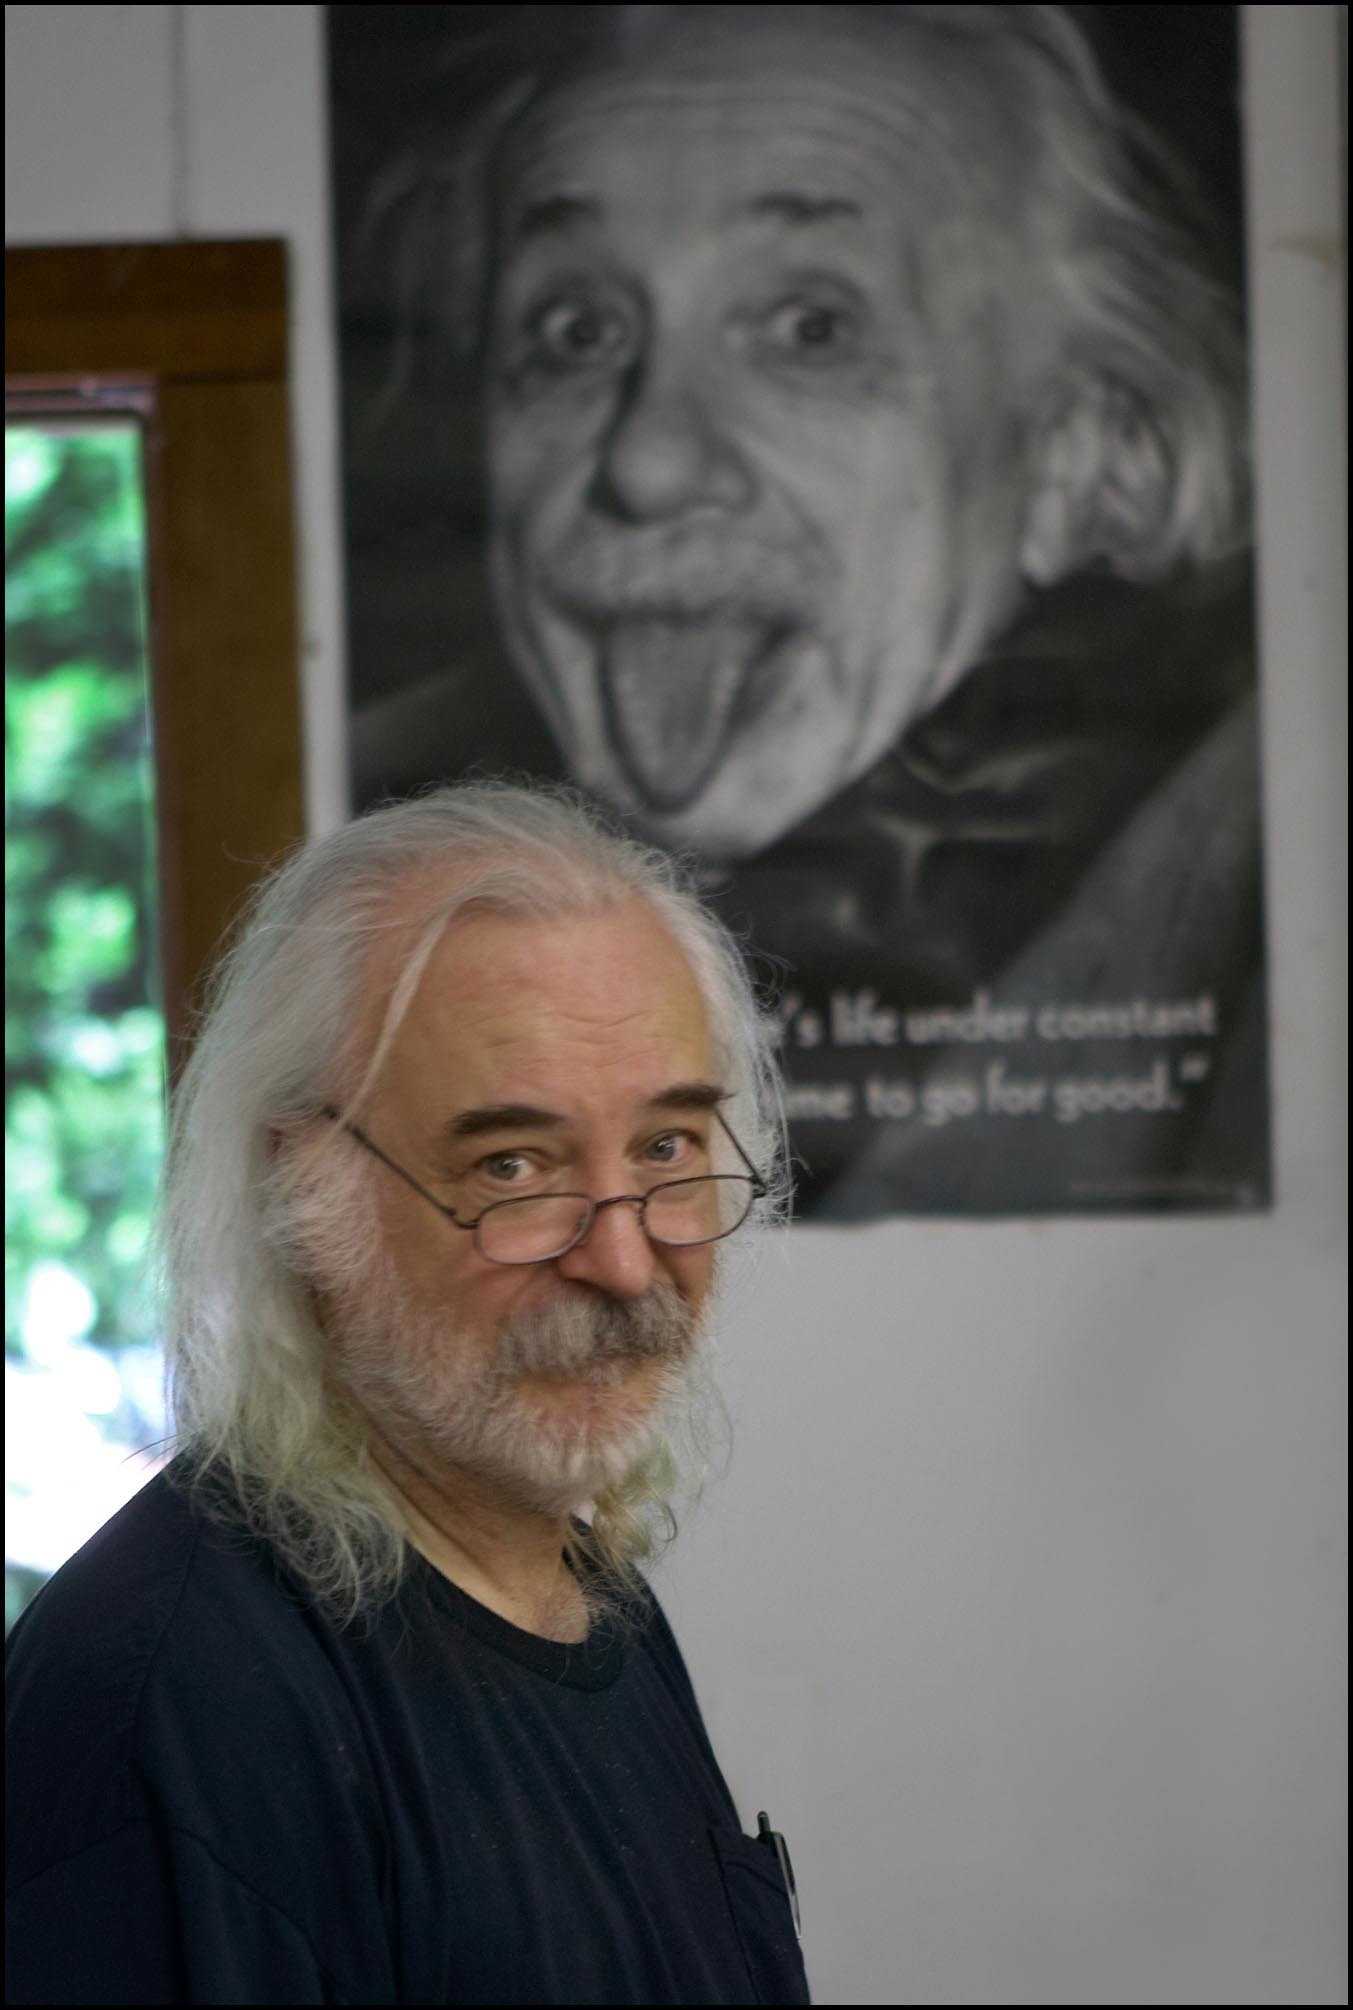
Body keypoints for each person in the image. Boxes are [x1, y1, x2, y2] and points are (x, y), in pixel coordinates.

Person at [345, 3, 1267, 1216]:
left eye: (810, 328)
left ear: (1089, 455)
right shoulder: (379, 911)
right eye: (576, 331)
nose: (648, 463)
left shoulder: (1246, 901)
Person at [6, 783, 809, 2006]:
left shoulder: (581, 1594)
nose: (624, 1260)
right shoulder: (178, 1716)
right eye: (513, 1167)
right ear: (307, 1195)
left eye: (666, 1148)